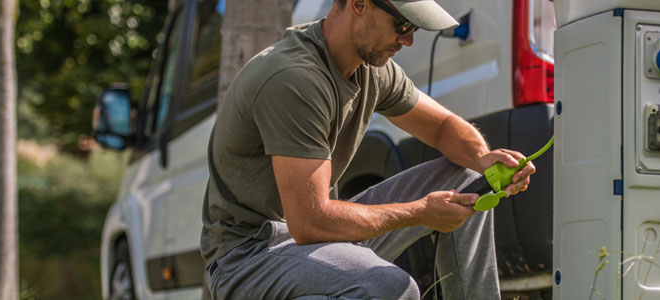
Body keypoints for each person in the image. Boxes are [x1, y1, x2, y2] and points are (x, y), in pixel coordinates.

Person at [201, 0, 536, 298]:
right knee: (388, 287)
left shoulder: (371, 69)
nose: (408, 39)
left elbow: (442, 126)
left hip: (313, 237)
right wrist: (420, 212)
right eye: (402, 24)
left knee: (466, 178)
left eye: (414, 27)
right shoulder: (294, 78)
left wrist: (483, 158)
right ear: (359, 4)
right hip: (249, 257)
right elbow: (309, 222)